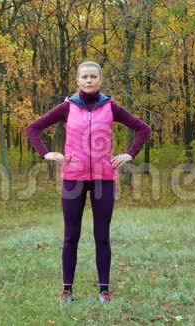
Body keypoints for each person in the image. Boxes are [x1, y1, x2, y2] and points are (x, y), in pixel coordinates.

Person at [27, 61, 151, 304]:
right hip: (74, 178)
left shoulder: (110, 106)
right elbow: (34, 128)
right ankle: (67, 290)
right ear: (77, 80)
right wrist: (45, 153)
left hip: (104, 178)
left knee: (101, 236)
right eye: (84, 76)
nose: (89, 80)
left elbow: (142, 128)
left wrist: (130, 153)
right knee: (70, 236)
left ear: (100, 80)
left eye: (93, 76)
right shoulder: (68, 106)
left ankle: (104, 290)